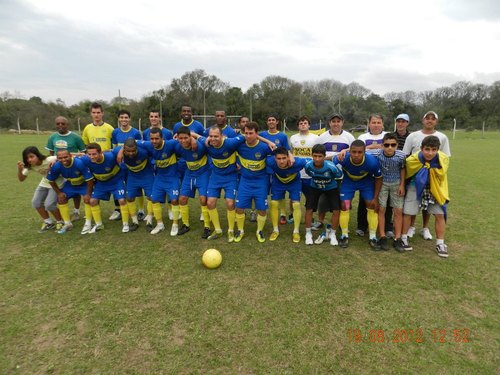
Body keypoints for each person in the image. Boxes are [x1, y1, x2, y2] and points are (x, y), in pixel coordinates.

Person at [402, 111, 451, 240]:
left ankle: (425, 228)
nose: (430, 121)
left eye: (432, 119)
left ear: (436, 121)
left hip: (433, 179)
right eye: (427, 118)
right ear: (423, 120)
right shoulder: (413, 136)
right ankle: (410, 227)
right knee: (412, 204)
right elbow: (406, 156)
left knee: (429, 205)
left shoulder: (442, 137)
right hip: (415, 176)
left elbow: (445, 158)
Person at [193, 126, 246, 241]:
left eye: (216, 136)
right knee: (210, 202)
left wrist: (269, 142)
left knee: (230, 203)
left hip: (230, 177)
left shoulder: (230, 143)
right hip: (215, 177)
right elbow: (195, 135)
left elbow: (248, 136)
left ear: (222, 136)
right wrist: (191, 137)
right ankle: (218, 230)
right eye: (211, 136)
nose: (213, 139)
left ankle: (231, 231)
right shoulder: (207, 142)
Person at [403, 135, 450, 258]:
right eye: (427, 149)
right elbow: (406, 171)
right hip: (415, 186)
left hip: (434, 187)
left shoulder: (442, 159)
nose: (430, 153)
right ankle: (403, 238)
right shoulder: (413, 159)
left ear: (438, 149)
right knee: (408, 212)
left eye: (434, 150)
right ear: (421, 148)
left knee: (440, 214)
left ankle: (440, 243)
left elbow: (442, 174)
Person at [333, 140, 382, 249]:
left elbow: (379, 178)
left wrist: (375, 197)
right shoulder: (343, 157)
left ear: (365, 152)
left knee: (371, 205)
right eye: (353, 152)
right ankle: (344, 235)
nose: (356, 155)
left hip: (366, 183)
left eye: (359, 152)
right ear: (349, 151)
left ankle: (373, 236)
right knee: (344, 205)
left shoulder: (371, 162)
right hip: (349, 182)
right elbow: (330, 161)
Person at [314, 113, 355, 241]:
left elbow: (355, 151)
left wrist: (345, 151)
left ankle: (342, 224)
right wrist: (331, 158)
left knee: (343, 200)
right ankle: (320, 221)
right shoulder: (322, 137)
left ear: (342, 122)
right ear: (329, 123)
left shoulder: (349, 136)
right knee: (322, 198)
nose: (336, 123)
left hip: (344, 174)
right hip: (325, 174)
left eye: (338, 121)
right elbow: (317, 153)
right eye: (333, 121)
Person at [234, 121, 275, 243]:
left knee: (262, 208)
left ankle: (259, 231)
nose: (248, 136)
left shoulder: (264, 147)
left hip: (260, 181)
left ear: (257, 134)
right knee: (239, 207)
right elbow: (226, 146)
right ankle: (240, 230)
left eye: (251, 133)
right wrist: (236, 161)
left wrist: (268, 141)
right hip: (245, 181)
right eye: (246, 133)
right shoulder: (239, 145)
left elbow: (280, 152)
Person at [367, 133, 409, 251]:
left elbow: (402, 169)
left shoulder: (401, 156)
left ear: (397, 145)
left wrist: (402, 185)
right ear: (382, 145)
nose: (390, 147)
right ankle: (382, 236)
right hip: (382, 183)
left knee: (398, 210)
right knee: (381, 209)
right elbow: (360, 149)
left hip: (396, 183)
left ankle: (397, 238)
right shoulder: (377, 153)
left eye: (393, 145)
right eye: (386, 145)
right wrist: (344, 151)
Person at [81, 102, 121, 221]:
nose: (96, 115)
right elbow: (85, 145)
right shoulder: (87, 128)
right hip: (93, 161)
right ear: (91, 114)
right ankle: (94, 209)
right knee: (94, 184)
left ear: (102, 113)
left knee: (114, 182)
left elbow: (115, 145)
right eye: (94, 113)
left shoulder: (109, 128)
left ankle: (118, 209)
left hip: (107, 161)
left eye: (98, 112)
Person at [136, 128, 180, 236]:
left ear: (162, 138)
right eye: (152, 139)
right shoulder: (148, 145)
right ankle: (160, 224)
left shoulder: (170, 144)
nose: (154, 141)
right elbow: (133, 141)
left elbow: (184, 140)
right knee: (154, 199)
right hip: (159, 178)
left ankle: (175, 224)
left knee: (174, 200)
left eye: (157, 138)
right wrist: (121, 151)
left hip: (172, 178)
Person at [80, 143, 129, 234]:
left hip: (116, 181)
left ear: (100, 152)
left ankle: (125, 224)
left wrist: (120, 153)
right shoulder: (86, 160)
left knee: (121, 200)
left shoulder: (110, 156)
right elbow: (73, 158)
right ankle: (99, 224)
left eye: (94, 154)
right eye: (89, 154)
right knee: (92, 201)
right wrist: (54, 160)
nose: (91, 157)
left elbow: (124, 146)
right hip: (101, 183)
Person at [45, 116, 86, 220]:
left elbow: (83, 153)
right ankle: (63, 216)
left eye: (63, 124)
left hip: (73, 167)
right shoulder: (52, 137)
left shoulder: (76, 137)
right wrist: (53, 160)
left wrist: (70, 156)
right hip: (59, 168)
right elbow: (50, 154)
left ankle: (76, 211)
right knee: (62, 192)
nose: (60, 126)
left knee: (76, 188)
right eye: (58, 124)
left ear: (67, 125)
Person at [174, 126, 211, 238]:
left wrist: (195, 137)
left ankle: (207, 226)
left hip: (203, 174)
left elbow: (208, 140)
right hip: (189, 174)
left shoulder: (200, 146)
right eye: (181, 138)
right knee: (182, 199)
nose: (183, 140)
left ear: (190, 136)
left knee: (203, 199)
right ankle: (185, 224)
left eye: (186, 138)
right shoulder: (177, 146)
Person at [303, 144, 343, 245]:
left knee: (336, 210)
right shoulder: (308, 165)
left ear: (324, 156)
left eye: (320, 156)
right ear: (312, 156)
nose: (317, 159)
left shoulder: (331, 167)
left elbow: (339, 175)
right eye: (315, 156)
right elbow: (309, 173)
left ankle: (333, 234)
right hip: (314, 187)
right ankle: (308, 234)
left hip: (331, 188)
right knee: (309, 209)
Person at [46, 149, 94, 234]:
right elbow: (50, 180)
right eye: (60, 158)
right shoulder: (56, 166)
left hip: (84, 184)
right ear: (57, 158)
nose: (63, 159)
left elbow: (89, 180)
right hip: (70, 185)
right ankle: (67, 223)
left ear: (70, 156)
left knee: (88, 199)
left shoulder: (79, 163)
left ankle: (88, 223)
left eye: (65, 157)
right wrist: (59, 193)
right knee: (61, 199)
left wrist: (88, 194)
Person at [17, 146, 63, 232]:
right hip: (45, 183)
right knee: (36, 202)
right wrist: (20, 170)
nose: (29, 160)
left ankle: (60, 221)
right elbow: (21, 179)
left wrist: (57, 160)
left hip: (57, 184)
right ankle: (48, 222)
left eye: (31, 156)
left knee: (49, 204)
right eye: (27, 158)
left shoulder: (49, 159)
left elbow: (66, 155)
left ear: (37, 155)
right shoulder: (30, 166)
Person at [356, 114, 388, 237]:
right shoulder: (363, 136)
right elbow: (358, 151)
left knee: (384, 200)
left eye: (378, 122)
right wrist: (374, 146)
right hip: (366, 174)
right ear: (369, 124)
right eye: (373, 122)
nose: (376, 125)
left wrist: (370, 148)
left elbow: (391, 149)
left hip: (384, 173)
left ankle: (386, 226)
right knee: (364, 200)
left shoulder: (387, 135)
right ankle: (362, 226)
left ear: (382, 124)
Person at [266, 147, 307, 242]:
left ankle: (296, 231)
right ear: (274, 158)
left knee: (296, 204)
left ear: (288, 157)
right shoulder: (270, 161)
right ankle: (275, 230)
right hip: (278, 182)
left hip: (294, 183)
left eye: (284, 158)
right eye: (279, 158)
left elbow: (314, 161)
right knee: (274, 203)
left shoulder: (298, 162)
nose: (281, 161)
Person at [119, 138, 157, 232]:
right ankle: (134, 221)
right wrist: (120, 152)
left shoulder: (144, 151)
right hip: (132, 177)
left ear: (137, 148)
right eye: (128, 151)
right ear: (124, 149)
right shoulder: (119, 151)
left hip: (146, 175)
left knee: (152, 197)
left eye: (133, 151)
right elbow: (107, 152)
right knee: (129, 198)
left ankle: (149, 220)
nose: (131, 153)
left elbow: (156, 146)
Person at [289, 116, 319, 223]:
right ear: (298, 126)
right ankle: (292, 215)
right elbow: (290, 153)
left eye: (305, 123)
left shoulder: (316, 138)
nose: (303, 124)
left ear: (309, 125)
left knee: (310, 197)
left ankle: (310, 216)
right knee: (293, 197)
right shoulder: (293, 138)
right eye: (300, 123)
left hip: (310, 173)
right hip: (296, 173)